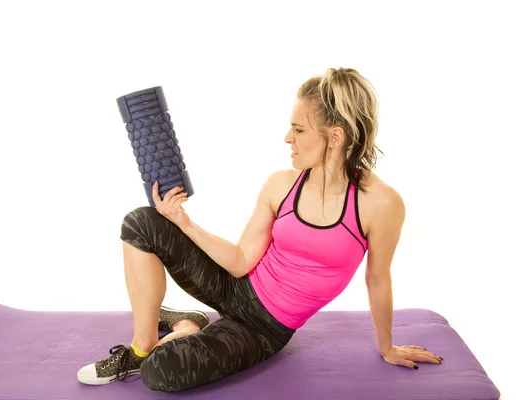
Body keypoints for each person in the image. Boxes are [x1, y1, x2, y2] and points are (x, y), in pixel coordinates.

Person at [77, 67, 443, 392]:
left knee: (161, 374)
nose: (288, 137)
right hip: (235, 283)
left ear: (335, 136)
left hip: (262, 328)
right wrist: (183, 224)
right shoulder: (281, 185)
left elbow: (378, 279)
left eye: (299, 129)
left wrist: (387, 347)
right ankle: (140, 347)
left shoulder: (379, 203)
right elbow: (239, 261)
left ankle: (187, 326)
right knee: (141, 221)